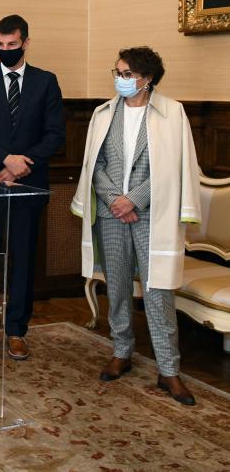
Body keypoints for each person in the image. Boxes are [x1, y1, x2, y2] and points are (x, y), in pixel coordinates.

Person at [71, 47, 201, 406]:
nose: (120, 79)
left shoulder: (172, 113)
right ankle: (122, 351)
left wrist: (135, 200)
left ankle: (169, 370)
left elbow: (173, 168)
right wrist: (115, 199)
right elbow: (93, 165)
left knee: (158, 291)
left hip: (152, 215)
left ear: (147, 79)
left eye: (126, 74)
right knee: (116, 284)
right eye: (117, 72)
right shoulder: (103, 114)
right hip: (112, 213)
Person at [0, 14, 65, 360]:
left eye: (11, 45)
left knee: (23, 258)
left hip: (28, 185)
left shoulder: (46, 81)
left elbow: (55, 134)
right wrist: (3, 162)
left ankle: (18, 330)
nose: (4, 50)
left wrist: (21, 166)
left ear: (25, 43)